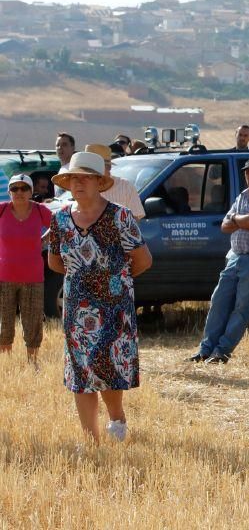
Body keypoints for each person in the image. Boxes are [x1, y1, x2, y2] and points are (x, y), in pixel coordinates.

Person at [47, 152, 152, 443]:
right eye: (72, 178)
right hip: (76, 309)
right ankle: (90, 439)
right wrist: (81, 277)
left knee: (108, 365)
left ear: (98, 181)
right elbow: (55, 262)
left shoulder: (120, 216)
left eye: (84, 177)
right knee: (81, 372)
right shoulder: (60, 219)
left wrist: (114, 283)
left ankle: (117, 422)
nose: (77, 182)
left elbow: (143, 260)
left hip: (114, 309)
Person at [187, 156, 249, 363]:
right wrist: (241, 220)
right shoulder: (243, 195)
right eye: (248, 172)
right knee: (218, 302)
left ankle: (222, 350)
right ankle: (205, 349)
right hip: (235, 256)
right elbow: (224, 225)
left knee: (242, 307)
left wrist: (237, 219)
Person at [0, 174, 52, 363]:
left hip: (33, 276)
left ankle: (32, 362)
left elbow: (59, 225)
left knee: (33, 322)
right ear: (9, 192)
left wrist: (44, 239)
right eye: (15, 188)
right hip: (4, 276)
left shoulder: (40, 211)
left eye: (24, 188)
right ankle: (6, 364)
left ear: (31, 191)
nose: (19, 192)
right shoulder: (2, 210)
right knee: (5, 323)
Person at [85, 144, 145, 220]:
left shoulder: (125, 186)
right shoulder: (82, 186)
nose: (91, 172)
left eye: (95, 167)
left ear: (109, 167)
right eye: (88, 168)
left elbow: (136, 219)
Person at [54, 132, 75, 197]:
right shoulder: (62, 169)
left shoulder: (74, 170)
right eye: (58, 145)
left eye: (64, 144)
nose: (60, 147)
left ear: (73, 148)